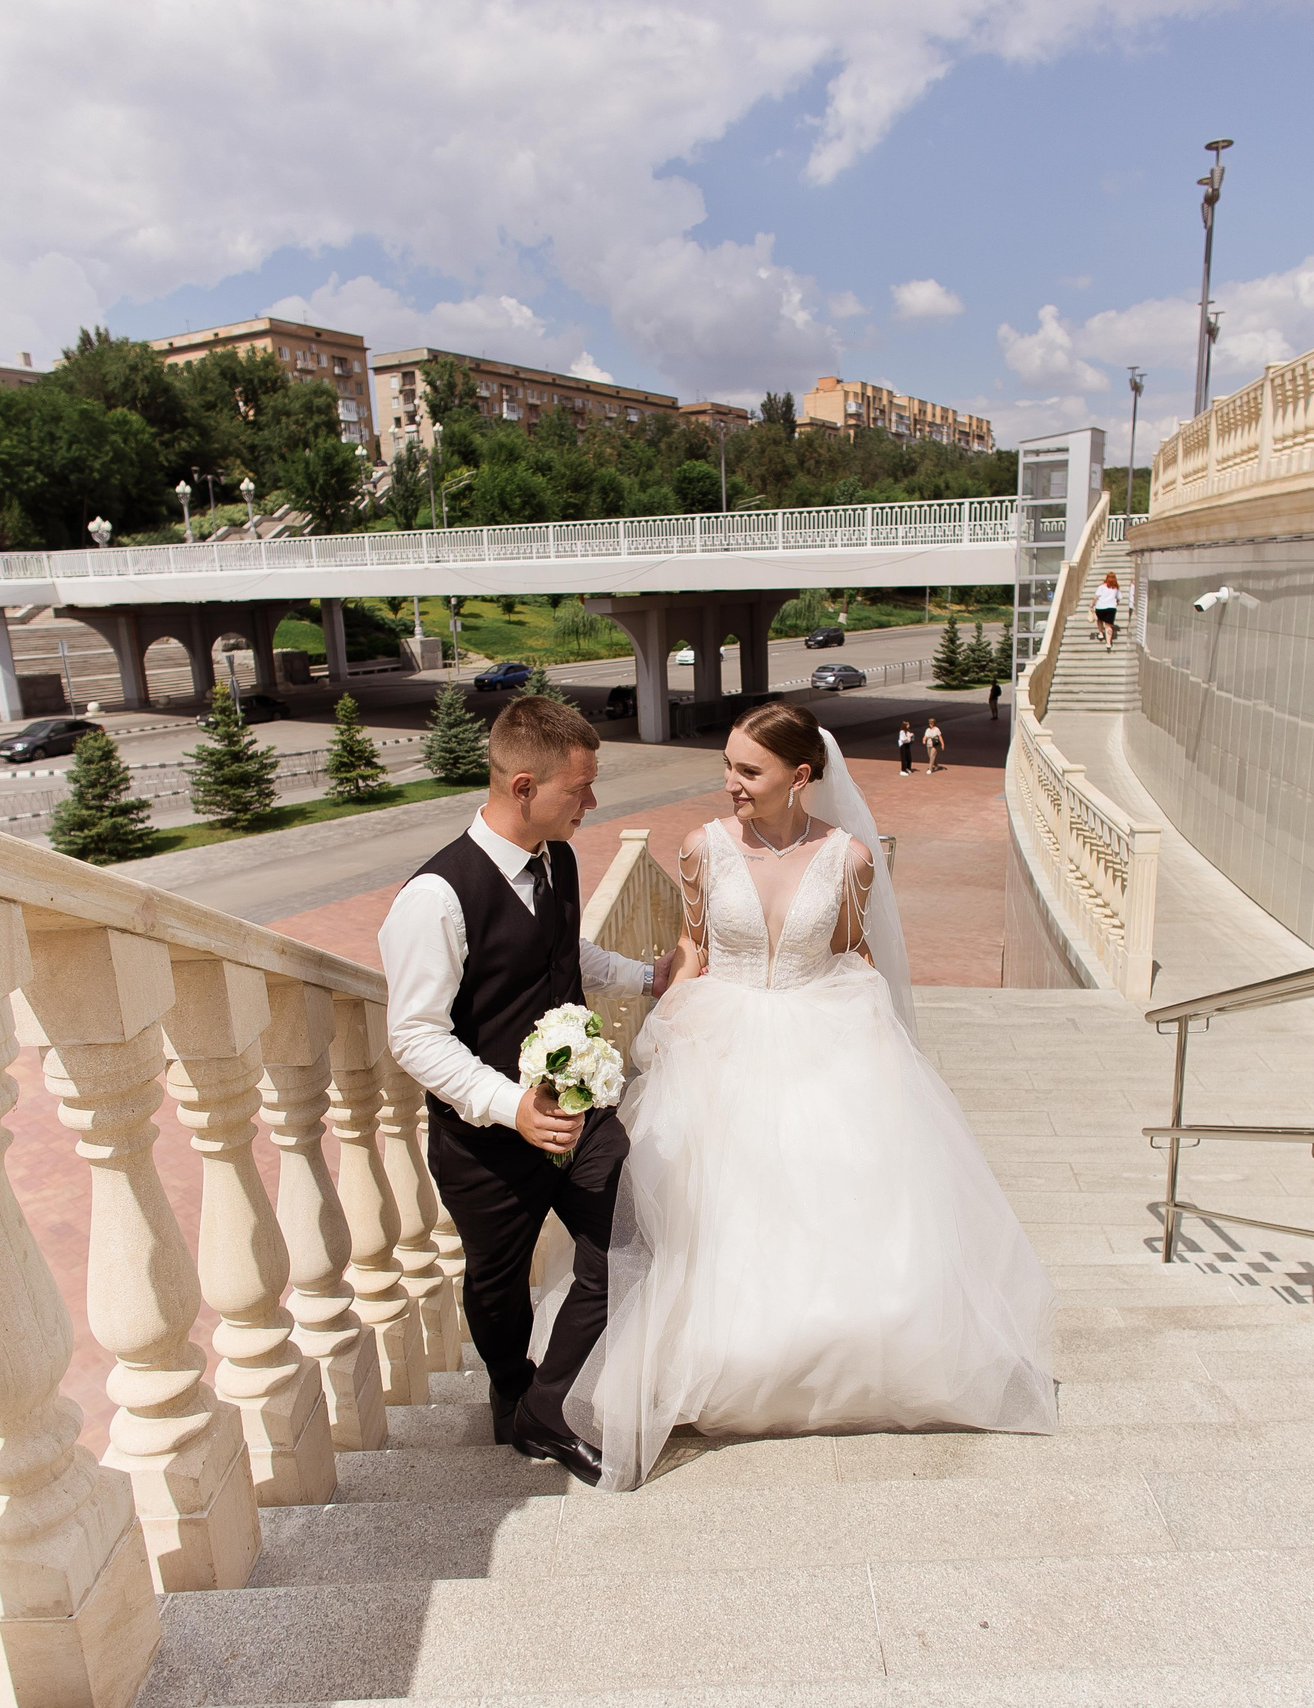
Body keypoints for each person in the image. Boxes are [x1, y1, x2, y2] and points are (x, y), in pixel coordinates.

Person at [567, 702, 1057, 1492]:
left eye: (748, 771)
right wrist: (664, 1017)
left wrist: (874, 1038)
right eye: (727, 766)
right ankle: (724, 1361)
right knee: (717, 1209)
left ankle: (838, 1355)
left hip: (820, 1036)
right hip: (719, 1039)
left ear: (801, 778)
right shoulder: (700, 848)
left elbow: (852, 950)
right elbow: (693, 943)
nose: (730, 783)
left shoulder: (851, 859)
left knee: (830, 1201)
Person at [379, 696, 678, 1486]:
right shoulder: (434, 900)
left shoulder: (561, 858)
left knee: (628, 1246)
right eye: (578, 790)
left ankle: (546, 1407)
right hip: (484, 1145)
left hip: (585, 1120)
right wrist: (510, 1106)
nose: (591, 803)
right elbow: (413, 1036)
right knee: (496, 1286)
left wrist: (646, 976)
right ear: (522, 786)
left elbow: (562, 949)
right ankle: (511, 1395)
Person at [1093, 571, 1121, 650]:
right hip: (1111, 608)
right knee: (1108, 626)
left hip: (1100, 607)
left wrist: (1091, 604)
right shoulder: (1116, 588)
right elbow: (1119, 598)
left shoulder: (1101, 587)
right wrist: (1115, 603)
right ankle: (1108, 643)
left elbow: (1096, 597)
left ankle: (1101, 633)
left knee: (1099, 620)